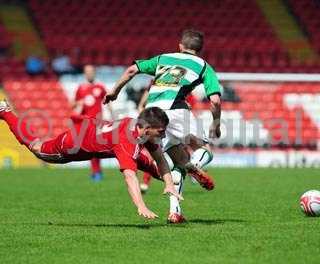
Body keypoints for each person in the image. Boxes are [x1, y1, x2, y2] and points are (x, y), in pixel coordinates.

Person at [104, 29, 222, 223]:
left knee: (177, 164)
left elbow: (132, 70)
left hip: (153, 116)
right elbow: (215, 101)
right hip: (176, 109)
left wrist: (115, 92)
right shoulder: (203, 66)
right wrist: (216, 124)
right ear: (199, 49)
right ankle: (196, 166)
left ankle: (175, 212)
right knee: (205, 149)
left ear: (180, 45)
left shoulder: (163, 58)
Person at [0, 100, 182, 219]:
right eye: (160, 130)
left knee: (148, 164)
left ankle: (185, 173)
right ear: (148, 127)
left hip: (92, 129)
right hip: (72, 144)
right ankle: (6, 111)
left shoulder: (138, 126)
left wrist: (169, 184)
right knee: (36, 147)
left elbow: (159, 157)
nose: (164, 133)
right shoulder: (127, 141)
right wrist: (141, 206)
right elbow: (129, 177)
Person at [73, 65, 111, 181]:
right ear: (84, 74)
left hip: (97, 122)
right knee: (90, 149)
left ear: (94, 72)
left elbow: (108, 102)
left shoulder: (100, 87)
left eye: (91, 71)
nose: (89, 74)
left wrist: (111, 115)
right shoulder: (81, 88)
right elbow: (76, 104)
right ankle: (96, 171)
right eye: (87, 72)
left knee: (95, 148)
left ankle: (97, 172)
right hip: (85, 123)